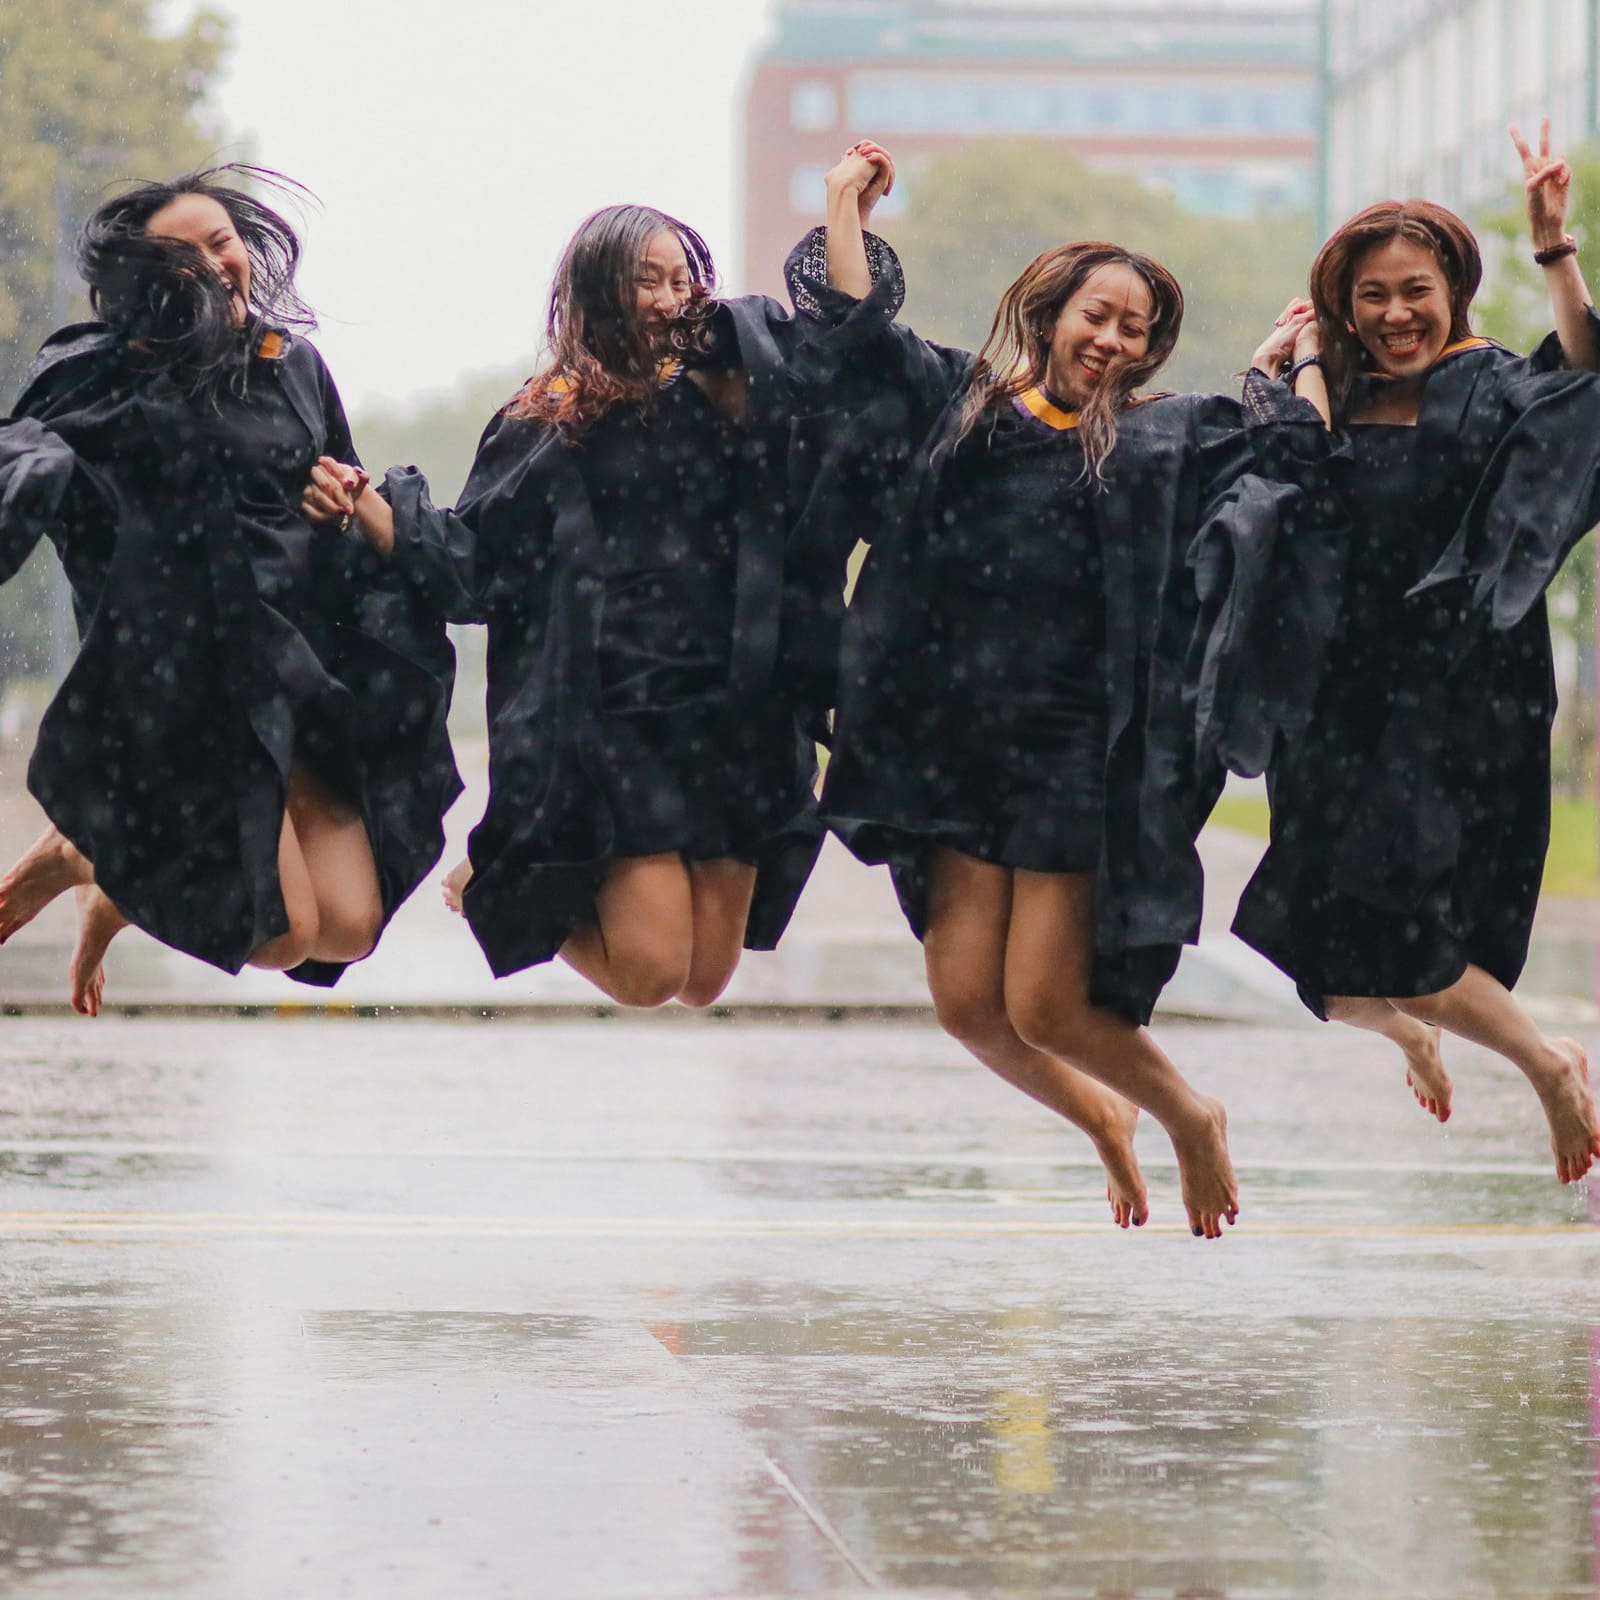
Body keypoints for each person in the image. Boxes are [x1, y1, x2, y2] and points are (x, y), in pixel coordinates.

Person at [805, 143, 1339, 1238]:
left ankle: (1190, 1115)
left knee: (1047, 1004)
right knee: (967, 1004)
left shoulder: (1162, 436)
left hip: (1073, 750)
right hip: (956, 743)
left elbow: (1293, 460)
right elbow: (859, 336)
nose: (1112, 340)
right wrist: (842, 203)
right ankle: (1104, 1118)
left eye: (1135, 329)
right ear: (1050, 313)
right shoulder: (962, 407)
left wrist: (1282, 366)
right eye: (1097, 315)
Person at [324, 177, 899, 1006]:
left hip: (741, 712)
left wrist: (847, 214)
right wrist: (367, 507)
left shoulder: (734, 387)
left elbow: (843, 352)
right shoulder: (551, 415)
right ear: (598, 290)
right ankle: (501, 884)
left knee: (705, 980)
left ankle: (516, 872)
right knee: (649, 972)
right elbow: (476, 567)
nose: (669, 298)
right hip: (622, 715)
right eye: (646, 280)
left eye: (681, 278)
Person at [1230, 121, 1600, 1183]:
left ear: (1454, 293)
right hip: (1337, 696)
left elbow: (1588, 379)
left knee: (1400, 927)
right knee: (1316, 946)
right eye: (1372, 296)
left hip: (1457, 693)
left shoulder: (1491, 385)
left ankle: (1547, 1066)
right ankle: (1411, 1034)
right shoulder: (1332, 397)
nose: (1396, 314)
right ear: (1342, 306)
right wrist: (1282, 365)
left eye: (1415, 291)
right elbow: (1275, 480)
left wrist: (1553, 246)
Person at [0, 166, 459, 1014]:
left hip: (298, 663)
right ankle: (86, 856)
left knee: (349, 926)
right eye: (185, 257)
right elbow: (27, 452)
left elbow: (340, 476)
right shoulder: (105, 371)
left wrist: (341, 495)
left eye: (223, 242)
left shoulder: (293, 365)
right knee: (277, 931)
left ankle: (105, 871)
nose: (215, 263)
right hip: (187, 673)